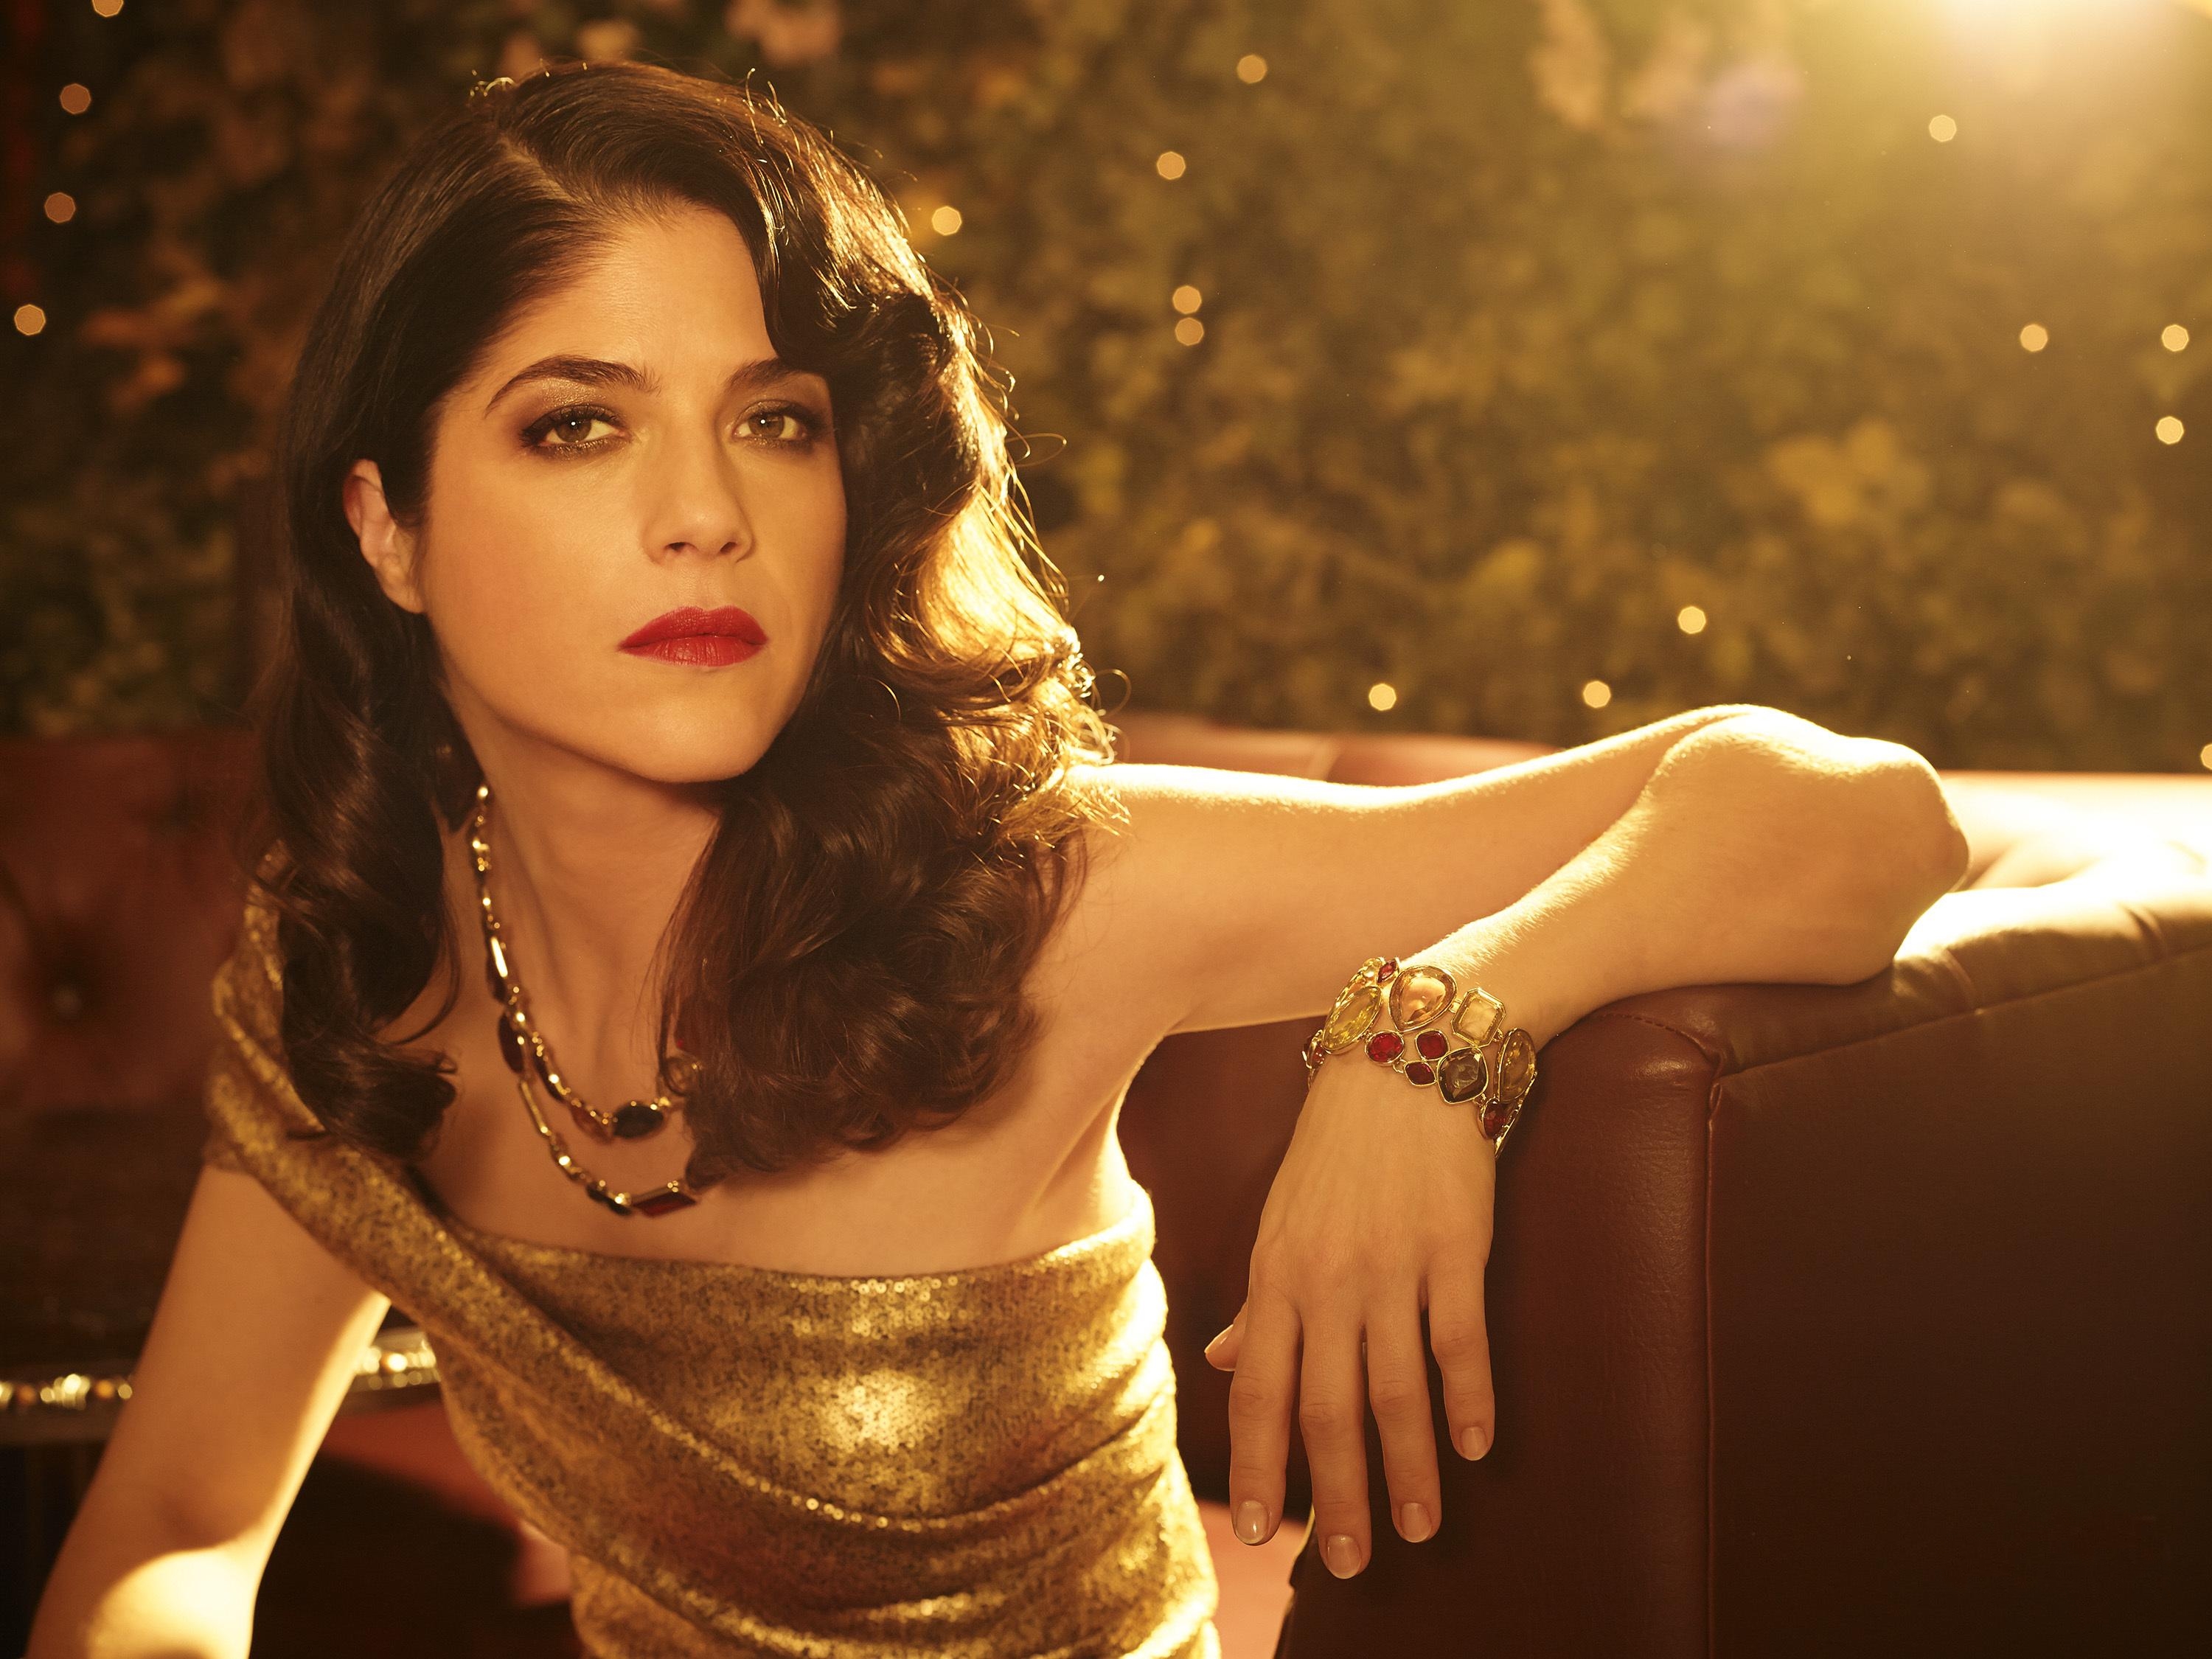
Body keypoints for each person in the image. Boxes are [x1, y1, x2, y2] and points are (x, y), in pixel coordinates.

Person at [27, 59, 1977, 1659]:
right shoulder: (357, 971)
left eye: (774, 421)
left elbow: (1851, 807)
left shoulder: (1032, 899)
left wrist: (1434, 1038)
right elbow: (177, 1526)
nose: (704, 513)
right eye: (576, 428)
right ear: (385, 527)